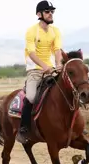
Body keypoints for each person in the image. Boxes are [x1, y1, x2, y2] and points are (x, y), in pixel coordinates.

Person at [18, 1, 62, 141]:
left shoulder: (56, 31)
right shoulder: (31, 31)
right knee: (31, 97)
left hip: (50, 69)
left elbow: (57, 50)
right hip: (35, 70)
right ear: (39, 14)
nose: (50, 14)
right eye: (47, 11)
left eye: (52, 12)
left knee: (66, 90)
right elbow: (31, 53)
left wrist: (59, 64)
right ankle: (23, 128)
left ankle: (71, 124)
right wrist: (44, 66)